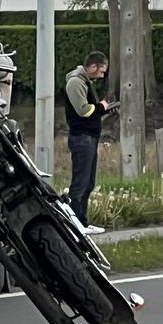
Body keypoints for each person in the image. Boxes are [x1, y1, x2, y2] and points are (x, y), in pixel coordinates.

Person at [64, 52, 111, 236]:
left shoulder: (85, 82)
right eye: (101, 71)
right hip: (81, 137)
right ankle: (74, 224)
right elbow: (83, 110)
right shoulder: (76, 82)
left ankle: (82, 222)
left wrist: (102, 109)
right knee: (80, 184)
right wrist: (101, 107)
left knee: (88, 182)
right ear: (92, 67)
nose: (102, 75)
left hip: (90, 136)